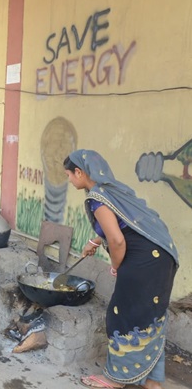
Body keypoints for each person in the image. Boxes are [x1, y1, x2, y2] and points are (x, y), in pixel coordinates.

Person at [64, 150, 178, 389]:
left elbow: (117, 241)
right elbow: (126, 223)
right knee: (150, 316)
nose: (70, 180)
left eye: (69, 175)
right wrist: (95, 241)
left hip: (143, 261)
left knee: (122, 316)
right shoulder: (113, 190)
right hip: (162, 257)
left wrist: (116, 266)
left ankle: (115, 379)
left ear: (79, 172)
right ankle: (152, 381)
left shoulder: (97, 198)